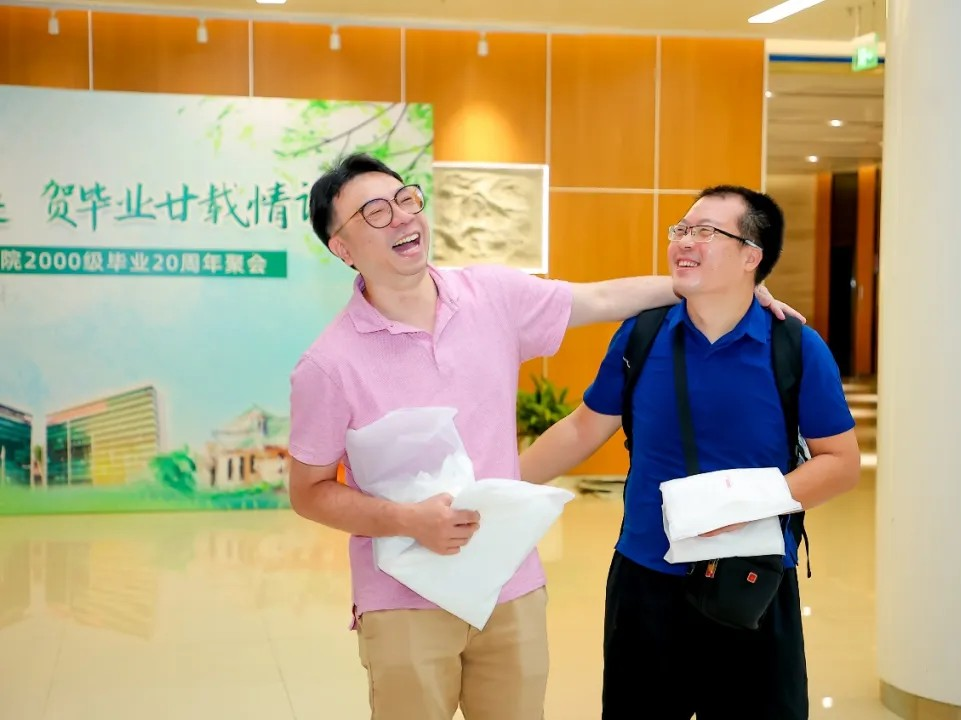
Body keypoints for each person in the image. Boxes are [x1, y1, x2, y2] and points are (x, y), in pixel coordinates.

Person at [287, 154, 802, 720]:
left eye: (405, 199)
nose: (402, 217)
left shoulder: (490, 295)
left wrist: (724, 289)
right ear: (342, 247)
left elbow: (600, 299)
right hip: (402, 597)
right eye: (375, 213)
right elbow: (308, 491)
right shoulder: (328, 364)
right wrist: (407, 520)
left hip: (511, 584)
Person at [519, 184, 860, 719]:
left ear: (752, 256)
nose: (684, 241)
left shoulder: (794, 346)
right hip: (646, 578)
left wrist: (746, 503)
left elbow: (841, 464)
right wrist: (499, 484)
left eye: (705, 231)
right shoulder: (642, 335)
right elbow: (584, 428)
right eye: (681, 229)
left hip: (753, 582)